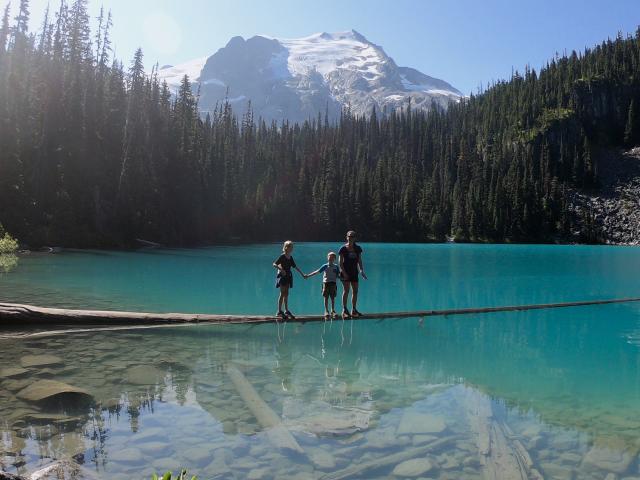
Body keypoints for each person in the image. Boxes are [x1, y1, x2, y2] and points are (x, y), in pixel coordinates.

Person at [273, 240, 306, 319]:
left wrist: (302, 274)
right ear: (286, 248)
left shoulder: (290, 257)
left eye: (292, 247)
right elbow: (274, 264)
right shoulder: (282, 256)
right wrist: (281, 270)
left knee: (286, 293)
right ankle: (279, 311)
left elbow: (295, 266)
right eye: (291, 247)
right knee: (282, 293)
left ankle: (286, 310)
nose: (292, 249)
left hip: (288, 277)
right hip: (282, 277)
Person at [339, 230, 367, 318]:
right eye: (349, 236)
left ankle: (354, 310)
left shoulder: (358, 248)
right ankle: (344, 310)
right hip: (345, 272)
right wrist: (344, 273)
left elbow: (359, 260)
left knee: (355, 291)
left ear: (355, 238)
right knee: (346, 291)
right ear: (346, 237)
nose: (350, 238)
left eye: (352, 236)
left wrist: (361, 270)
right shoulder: (343, 248)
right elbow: (340, 263)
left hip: (354, 272)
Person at [305, 251, 341, 319]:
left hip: (333, 283)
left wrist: (343, 278)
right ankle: (326, 311)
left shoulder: (336, 267)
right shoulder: (325, 266)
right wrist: (308, 275)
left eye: (332, 257)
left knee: (332, 297)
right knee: (326, 297)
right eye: (329, 257)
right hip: (326, 283)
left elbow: (338, 275)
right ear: (327, 258)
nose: (330, 258)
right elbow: (317, 271)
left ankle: (333, 310)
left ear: (334, 259)